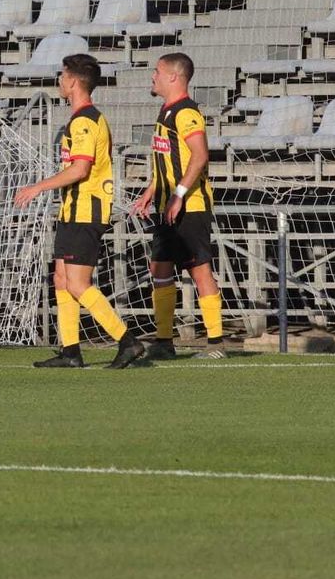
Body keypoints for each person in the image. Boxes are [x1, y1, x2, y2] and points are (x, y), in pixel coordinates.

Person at [13, 55, 146, 369]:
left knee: (76, 283)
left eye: (62, 75)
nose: (59, 81)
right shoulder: (81, 119)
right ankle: (70, 351)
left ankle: (127, 340)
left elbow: (80, 169)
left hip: (86, 210)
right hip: (72, 210)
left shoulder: (84, 121)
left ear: (72, 81)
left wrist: (38, 187)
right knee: (61, 279)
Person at [132, 52, 225, 359]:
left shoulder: (186, 112)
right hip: (167, 204)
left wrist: (179, 194)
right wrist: (152, 189)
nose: (153, 76)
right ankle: (164, 341)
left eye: (157, 71)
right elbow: (169, 160)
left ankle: (216, 343)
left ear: (173, 76)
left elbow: (199, 155)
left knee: (199, 269)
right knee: (159, 267)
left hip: (190, 205)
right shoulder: (166, 111)